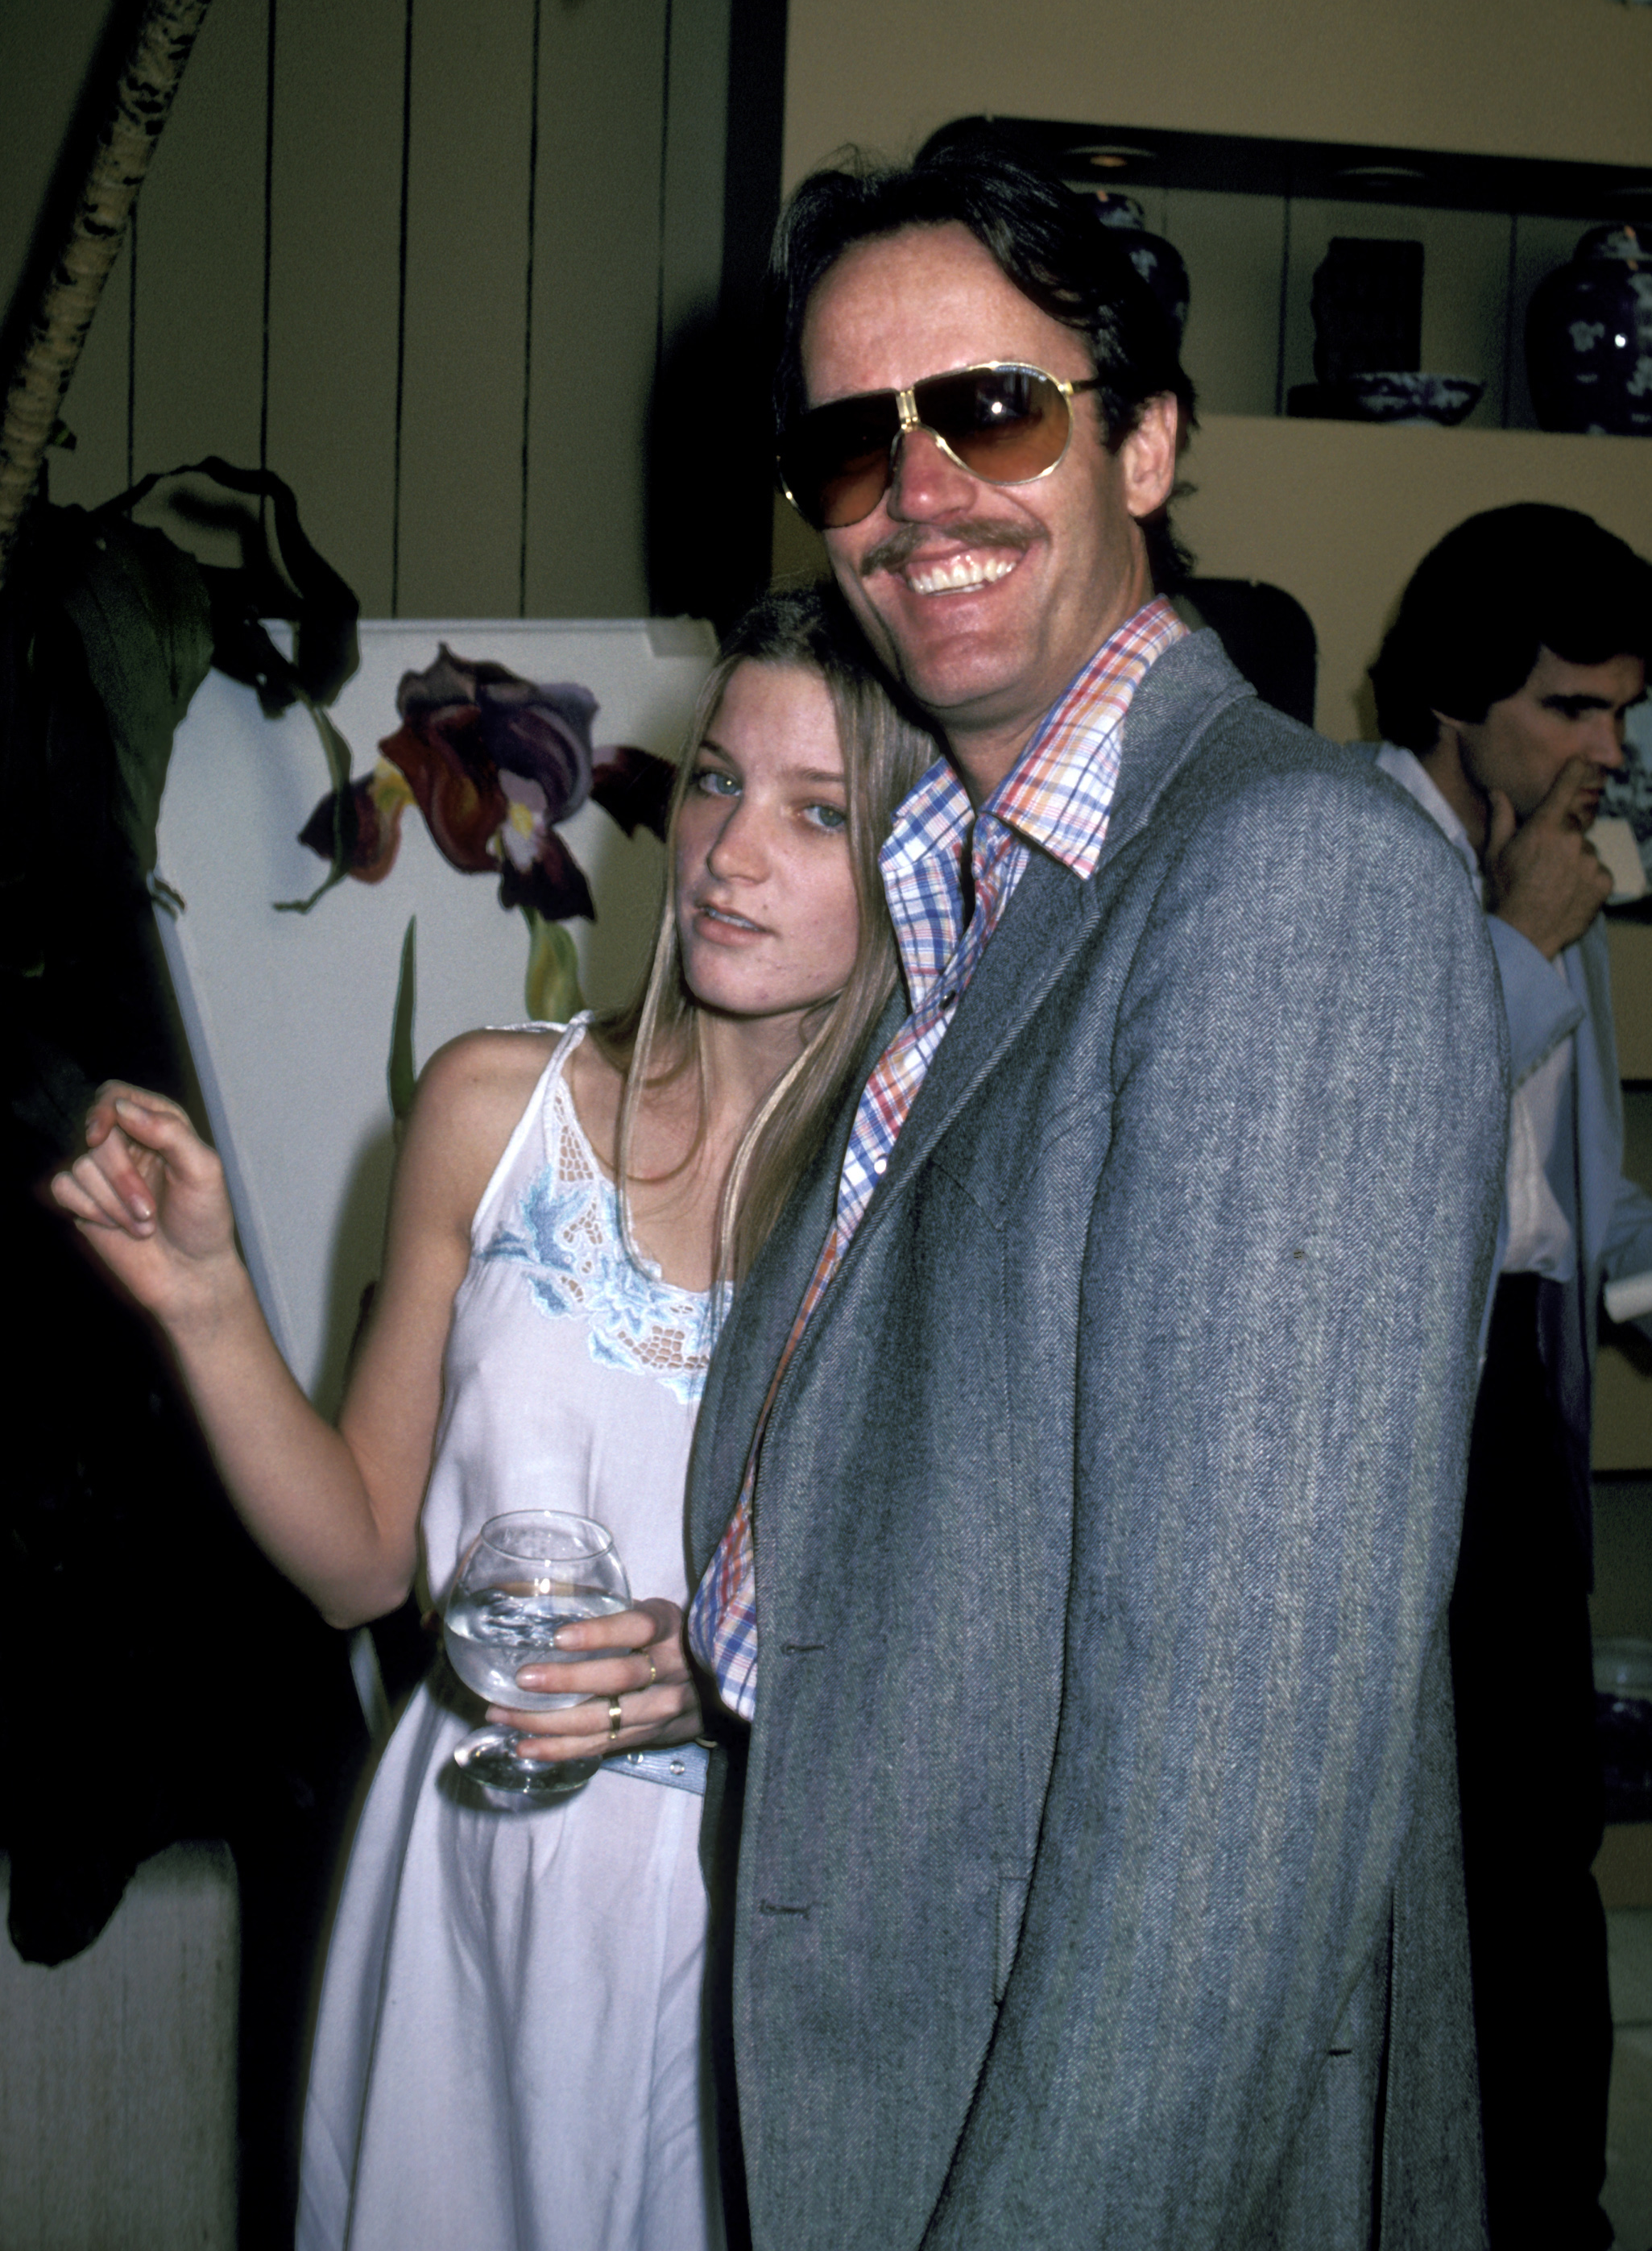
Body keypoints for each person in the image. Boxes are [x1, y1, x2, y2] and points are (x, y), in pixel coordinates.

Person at [684, 137, 1509, 2249]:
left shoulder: (1289, 874)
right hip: (888, 2056)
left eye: (986, 410)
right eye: (850, 445)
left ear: (1142, 441)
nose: (916, 493)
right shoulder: (970, 904)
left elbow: (1229, 1818)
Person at [49, 585, 935, 2251]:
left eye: (823, 813)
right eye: (723, 783)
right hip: (464, 1872)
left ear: (920, 864)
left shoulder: (922, 1217)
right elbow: (355, 1566)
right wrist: (206, 1298)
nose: (735, 853)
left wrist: (738, 1670)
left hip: (744, 1922)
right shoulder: (486, 1111)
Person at [1368, 503, 1652, 2251]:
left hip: (1531, 1388)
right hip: (1405, 1408)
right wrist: (1524, 943)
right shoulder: (1353, 854)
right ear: (1458, 699)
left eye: (1623, 714)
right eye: (1566, 707)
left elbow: (1575, 1199)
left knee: (1546, 1855)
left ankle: (1557, 2211)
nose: (1603, 752)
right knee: (1449, 1874)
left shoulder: (1565, 879)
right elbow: (1378, 1164)